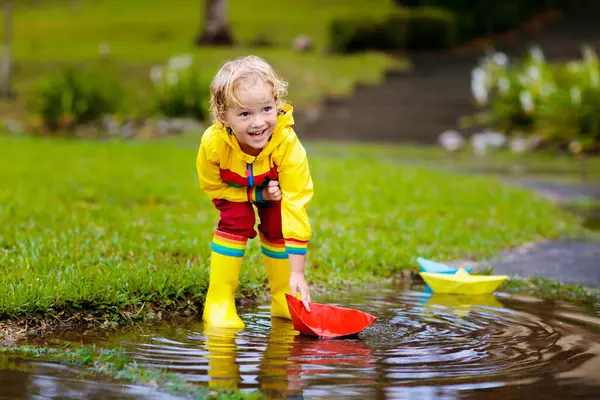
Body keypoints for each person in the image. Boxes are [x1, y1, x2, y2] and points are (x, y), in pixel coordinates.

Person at [196, 55, 313, 329]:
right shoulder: (213, 145)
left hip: (276, 189)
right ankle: (219, 301)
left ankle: (284, 298)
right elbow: (213, 187)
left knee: (277, 222)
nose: (258, 122)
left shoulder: (287, 144)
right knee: (237, 220)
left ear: (278, 104)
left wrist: (298, 273)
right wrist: (255, 196)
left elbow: (295, 202)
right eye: (245, 114)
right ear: (223, 116)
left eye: (266, 109)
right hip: (233, 191)